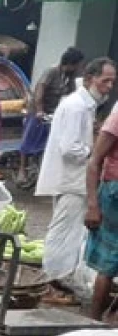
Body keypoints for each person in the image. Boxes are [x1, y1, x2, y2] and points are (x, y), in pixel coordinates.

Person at [36, 58, 115, 299]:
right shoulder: (76, 106)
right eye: (105, 81)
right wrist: (96, 154)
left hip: (75, 180)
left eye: (113, 81)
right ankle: (49, 283)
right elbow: (70, 148)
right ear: (90, 79)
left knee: (70, 233)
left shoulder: (85, 105)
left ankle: (59, 280)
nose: (109, 86)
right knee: (62, 232)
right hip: (71, 180)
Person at [21, 48, 84, 184]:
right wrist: (39, 110)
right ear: (71, 63)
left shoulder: (70, 76)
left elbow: (73, 94)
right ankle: (22, 170)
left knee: (50, 141)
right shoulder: (52, 71)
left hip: (53, 111)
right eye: (78, 64)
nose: (80, 68)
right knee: (29, 138)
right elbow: (40, 90)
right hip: (37, 109)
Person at [84, 94, 118, 320]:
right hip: (114, 194)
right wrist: (92, 205)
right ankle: (93, 321)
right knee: (108, 262)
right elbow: (94, 161)